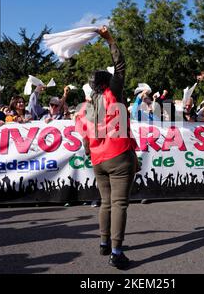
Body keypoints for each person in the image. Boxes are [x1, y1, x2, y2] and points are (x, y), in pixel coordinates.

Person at [75, 26, 137, 270]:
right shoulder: (114, 94)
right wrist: (110, 39)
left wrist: (91, 154)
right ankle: (116, 251)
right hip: (119, 155)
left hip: (99, 159)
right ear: (108, 82)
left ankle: (103, 243)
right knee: (119, 204)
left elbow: (85, 136)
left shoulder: (87, 106)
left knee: (106, 202)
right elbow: (120, 64)